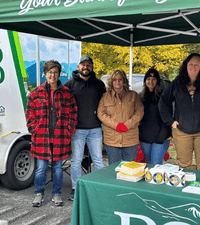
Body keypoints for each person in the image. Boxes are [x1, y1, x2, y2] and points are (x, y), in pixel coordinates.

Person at [25, 60, 77, 207]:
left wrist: (69, 130)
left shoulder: (67, 94)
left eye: (55, 72)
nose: (52, 75)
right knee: (41, 169)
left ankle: (56, 193)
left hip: (60, 138)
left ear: (59, 74)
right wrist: (33, 129)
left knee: (58, 169)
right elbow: (29, 114)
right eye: (49, 72)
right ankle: (39, 193)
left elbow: (73, 113)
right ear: (45, 74)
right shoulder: (35, 94)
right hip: (42, 138)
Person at [159, 53, 200, 171]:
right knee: (184, 166)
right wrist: (171, 121)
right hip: (181, 132)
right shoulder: (177, 83)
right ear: (186, 65)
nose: (193, 67)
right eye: (191, 64)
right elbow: (163, 103)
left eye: (197, 64)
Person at [65, 56, 106, 201]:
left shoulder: (99, 84)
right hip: (77, 130)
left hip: (95, 129)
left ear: (92, 67)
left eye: (89, 64)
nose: (86, 67)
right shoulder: (69, 84)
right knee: (76, 160)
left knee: (98, 160)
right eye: (83, 64)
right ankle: (76, 188)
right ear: (78, 66)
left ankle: (100, 186)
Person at [98, 70, 144, 164]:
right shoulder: (105, 97)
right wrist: (116, 125)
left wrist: (127, 125)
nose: (117, 82)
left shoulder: (133, 95)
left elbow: (140, 112)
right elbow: (101, 114)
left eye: (120, 79)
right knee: (113, 169)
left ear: (124, 81)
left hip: (130, 139)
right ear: (111, 82)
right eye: (115, 80)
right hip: (112, 140)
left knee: (129, 169)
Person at [139, 68, 171, 165]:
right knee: (149, 164)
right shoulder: (141, 96)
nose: (151, 81)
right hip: (145, 138)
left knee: (156, 165)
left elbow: (167, 117)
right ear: (145, 81)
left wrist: (162, 137)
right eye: (148, 79)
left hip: (160, 137)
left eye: (154, 79)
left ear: (157, 81)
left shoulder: (164, 96)